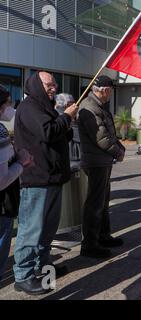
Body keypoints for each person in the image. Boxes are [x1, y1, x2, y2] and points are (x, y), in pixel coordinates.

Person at [13, 71, 78, 295]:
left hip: (52, 177)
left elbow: (58, 134)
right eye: (50, 85)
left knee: (48, 228)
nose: (54, 89)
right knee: (32, 229)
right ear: (38, 85)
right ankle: (23, 275)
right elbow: (48, 132)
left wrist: (66, 122)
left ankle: (43, 264)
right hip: (37, 179)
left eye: (55, 85)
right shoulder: (29, 106)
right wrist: (67, 117)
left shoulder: (45, 107)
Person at [78, 75, 125, 259]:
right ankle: (89, 244)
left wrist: (118, 147)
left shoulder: (99, 106)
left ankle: (103, 236)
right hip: (95, 162)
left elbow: (109, 134)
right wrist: (118, 152)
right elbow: (101, 137)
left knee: (103, 201)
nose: (111, 94)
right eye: (110, 90)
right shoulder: (90, 107)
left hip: (102, 161)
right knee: (94, 203)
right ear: (105, 90)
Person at [0, 86, 34, 282]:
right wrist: (21, 162)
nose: (11, 107)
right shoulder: (1, 132)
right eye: (8, 102)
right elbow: (2, 179)